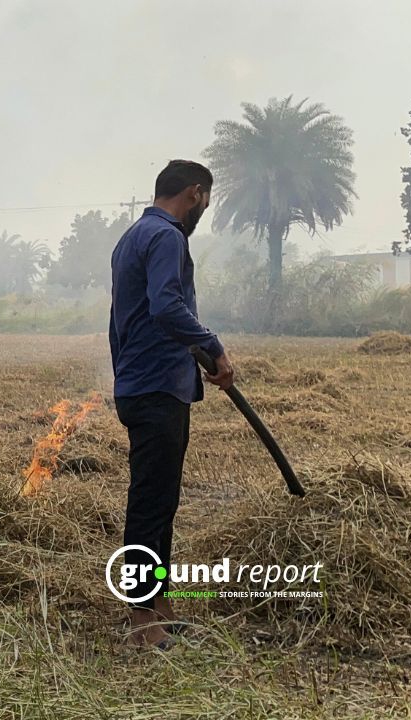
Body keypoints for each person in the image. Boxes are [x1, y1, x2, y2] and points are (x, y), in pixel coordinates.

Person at [108, 159, 234, 649]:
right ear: (195, 193)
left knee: (162, 503)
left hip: (147, 381)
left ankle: (160, 604)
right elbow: (166, 308)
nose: (203, 210)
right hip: (156, 386)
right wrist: (214, 346)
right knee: (149, 504)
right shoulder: (166, 237)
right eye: (206, 201)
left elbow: (131, 316)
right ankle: (143, 623)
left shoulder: (132, 237)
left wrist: (197, 356)